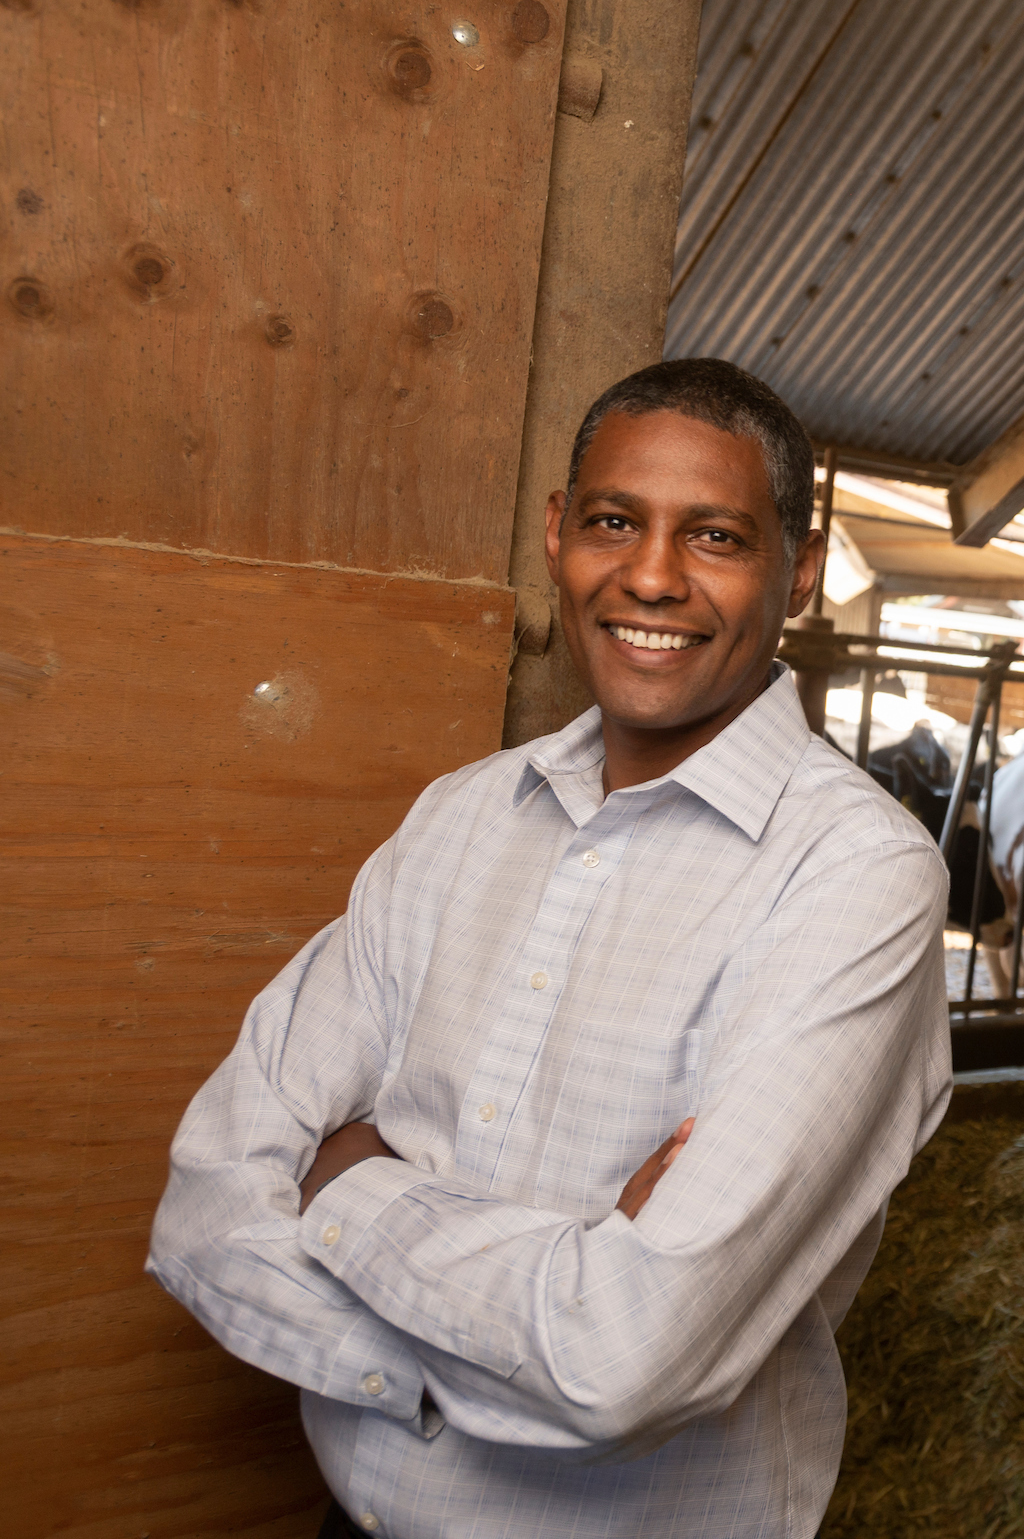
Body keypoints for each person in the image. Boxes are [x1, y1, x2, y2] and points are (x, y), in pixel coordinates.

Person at [148, 358, 950, 1537]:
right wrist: (509, 1319)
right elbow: (207, 1204)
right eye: (615, 521)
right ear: (556, 531)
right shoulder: (458, 819)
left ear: (803, 572)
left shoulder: (855, 877)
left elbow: (624, 1357)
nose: (653, 577)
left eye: (716, 536)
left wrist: (353, 1183)